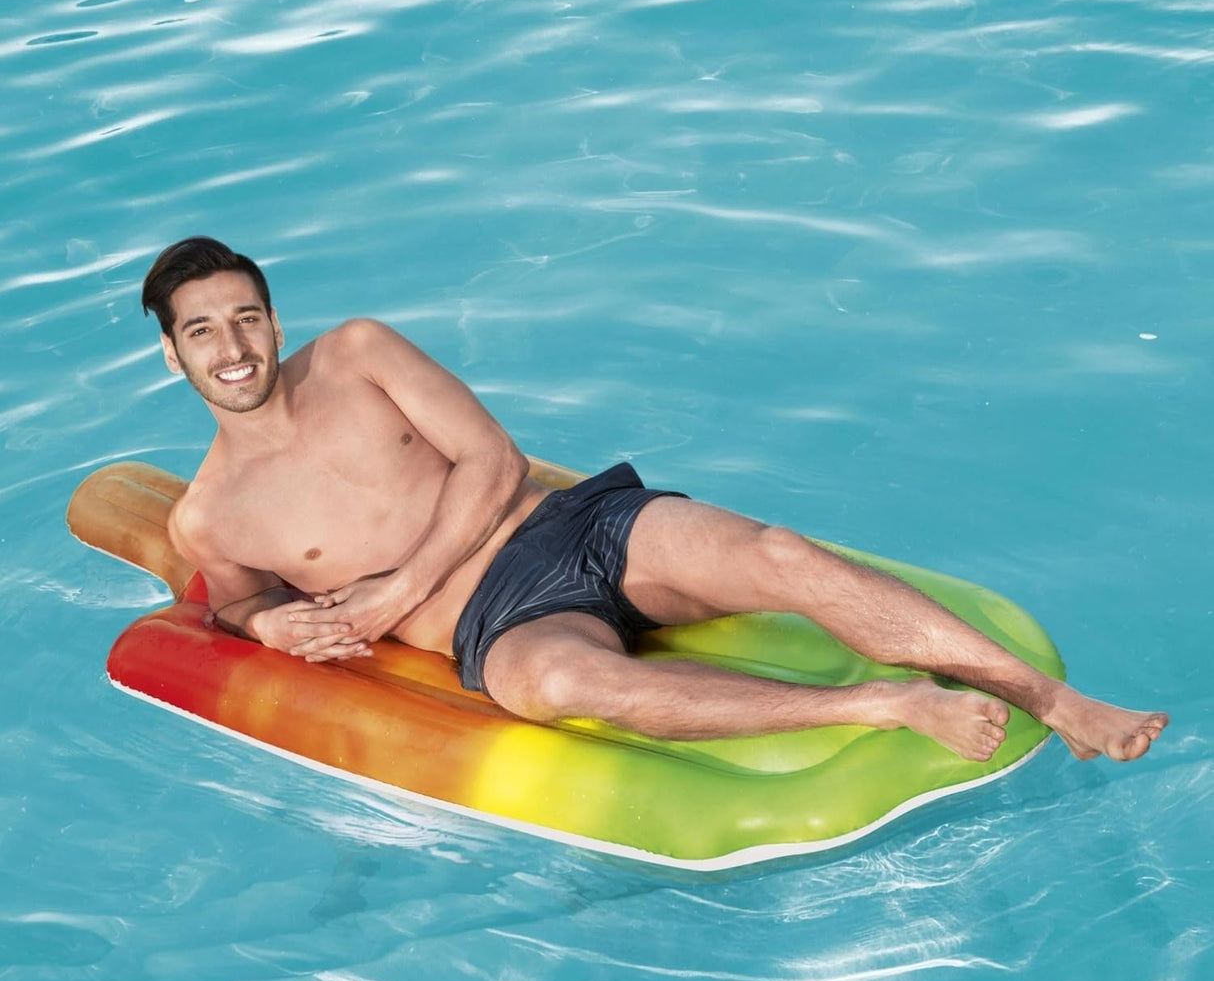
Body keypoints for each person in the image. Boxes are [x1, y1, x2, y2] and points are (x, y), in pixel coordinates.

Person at [143, 236, 1168, 764]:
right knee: (555, 689)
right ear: (171, 350)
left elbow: (493, 459)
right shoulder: (210, 514)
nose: (233, 349)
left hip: (570, 524)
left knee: (778, 554)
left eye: (247, 318)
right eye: (203, 331)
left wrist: (389, 590)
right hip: (503, 624)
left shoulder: (359, 352)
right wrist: (268, 616)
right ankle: (884, 701)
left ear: (275, 320)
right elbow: (231, 602)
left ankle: (1052, 698)